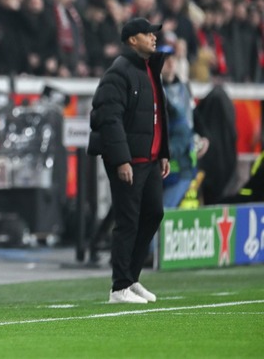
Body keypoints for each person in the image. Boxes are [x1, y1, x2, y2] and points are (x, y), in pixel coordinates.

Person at [87, 18, 170, 304]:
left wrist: (163, 153)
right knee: (127, 221)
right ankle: (119, 286)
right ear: (132, 40)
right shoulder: (119, 72)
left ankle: (132, 278)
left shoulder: (150, 70)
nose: (153, 37)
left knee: (154, 213)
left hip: (149, 159)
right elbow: (107, 118)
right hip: (128, 160)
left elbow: (158, 118)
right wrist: (122, 160)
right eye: (148, 34)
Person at [161, 46, 209, 208]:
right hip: (164, 160)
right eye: (165, 60)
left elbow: (193, 114)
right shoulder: (154, 88)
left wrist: (204, 136)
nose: (169, 63)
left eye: (171, 59)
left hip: (182, 160)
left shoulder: (184, 87)